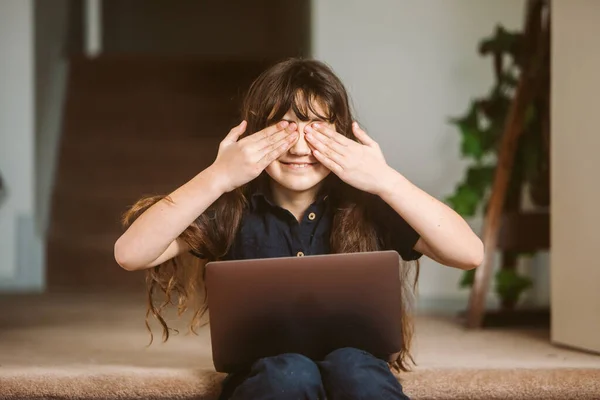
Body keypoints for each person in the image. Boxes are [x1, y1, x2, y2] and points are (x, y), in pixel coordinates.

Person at [114, 58, 484, 400]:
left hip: (361, 367)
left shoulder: (370, 204)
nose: (300, 146)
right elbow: (131, 254)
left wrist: (385, 180)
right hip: (265, 376)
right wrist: (218, 176)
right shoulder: (229, 208)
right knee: (289, 373)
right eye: (284, 128)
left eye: (317, 128)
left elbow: (469, 254)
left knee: (355, 370)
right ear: (255, 136)